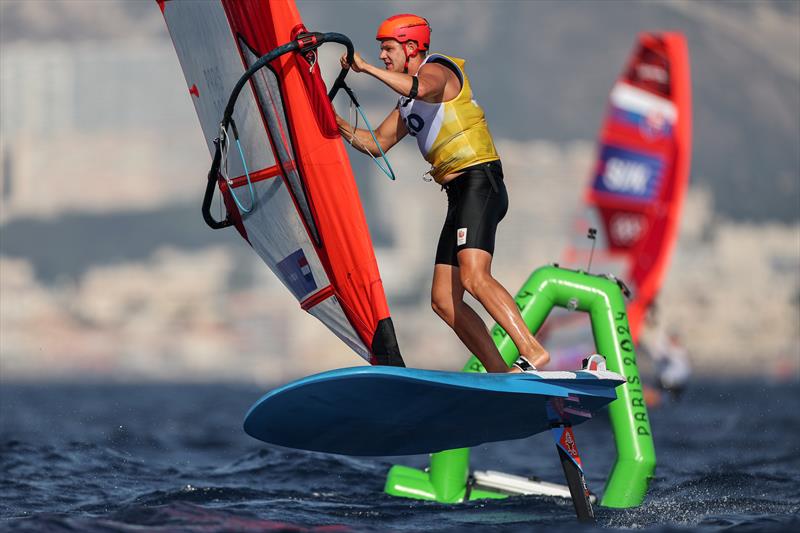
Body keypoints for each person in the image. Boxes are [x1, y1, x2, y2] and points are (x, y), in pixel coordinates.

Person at [335, 14, 549, 373]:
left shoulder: (440, 71)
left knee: (474, 276)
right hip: (457, 194)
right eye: (381, 52)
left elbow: (419, 88)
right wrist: (332, 121)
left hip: (480, 183)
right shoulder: (407, 103)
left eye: (388, 49)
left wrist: (367, 69)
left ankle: (532, 349)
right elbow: (375, 143)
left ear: (411, 48)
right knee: (443, 301)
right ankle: (500, 373)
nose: (384, 55)